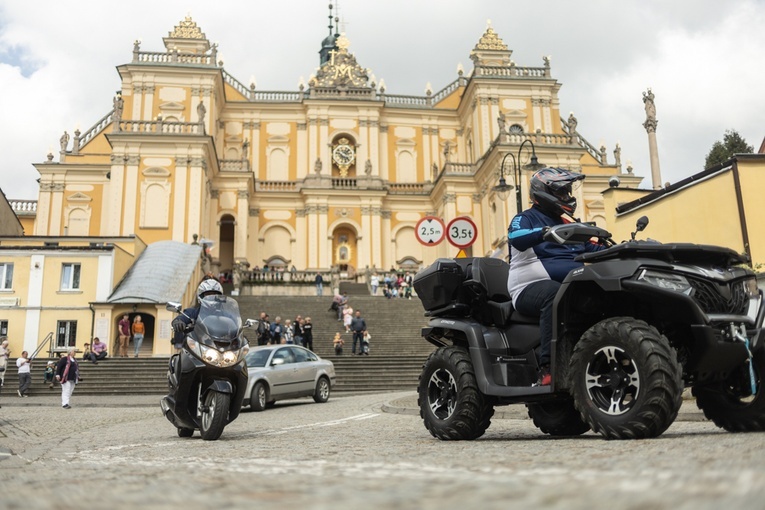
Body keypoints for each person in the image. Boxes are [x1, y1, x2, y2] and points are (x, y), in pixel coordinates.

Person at [506, 167, 606, 386]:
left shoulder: (567, 224)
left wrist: (626, 248)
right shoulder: (525, 218)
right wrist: (543, 232)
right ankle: (548, 368)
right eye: (562, 193)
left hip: (570, 285)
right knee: (555, 294)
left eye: (568, 192)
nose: (568, 197)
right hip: (527, 287)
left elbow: (592, 248)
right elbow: (515, 237)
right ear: (544, 192)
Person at [171, 278, 225, 347]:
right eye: (208, 295)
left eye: (215, 295)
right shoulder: (192, 312)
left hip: (221, 347)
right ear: (201, 296)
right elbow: (182, 317)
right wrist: (178, 322)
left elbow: (235, 322)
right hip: (196, 346)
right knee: (179, 357)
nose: (212, 297)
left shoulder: (225, 315)